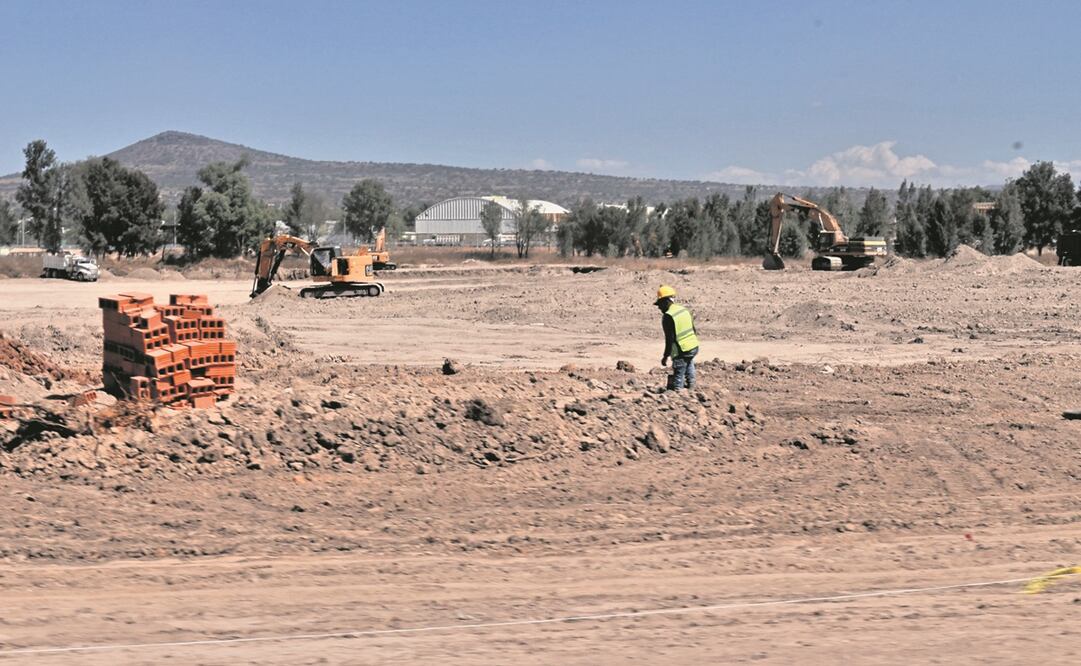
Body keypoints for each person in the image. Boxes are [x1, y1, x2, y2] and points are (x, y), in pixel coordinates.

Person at [655, 285, 700, 390]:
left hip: (682, 349)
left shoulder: (668, 316)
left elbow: (669, 339)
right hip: (693, 346)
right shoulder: (683, 310)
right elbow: (693, 329)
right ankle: (692, 387)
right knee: (688, 363)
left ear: (666, 301)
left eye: (660, 304)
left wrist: (665, 356)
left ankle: (677, 393)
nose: (659, 307)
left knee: (679, 371)